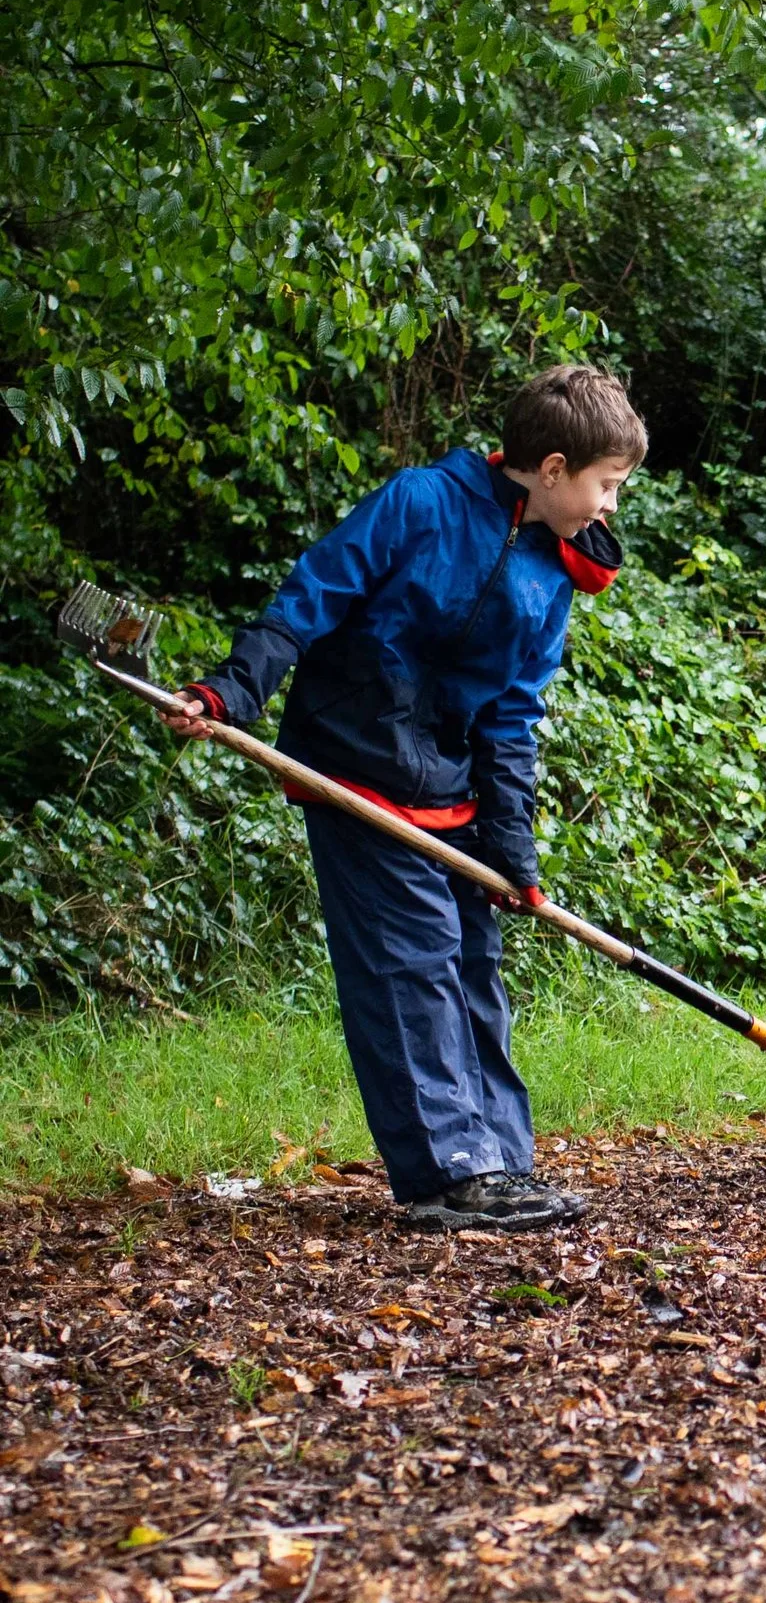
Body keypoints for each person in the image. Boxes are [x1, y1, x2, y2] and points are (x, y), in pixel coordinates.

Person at [173, 367, 643, 1231]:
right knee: (412, 965)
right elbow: (309, 596)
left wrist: (513, 853)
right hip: (354, 766)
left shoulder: (552, 570)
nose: (610, 506)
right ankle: (446, 1174)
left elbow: (511, 716)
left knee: (473, 967)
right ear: (551, 468)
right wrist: (230, 692)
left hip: (449, 785)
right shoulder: (420, 503)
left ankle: (502, 1162)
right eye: (607, 485)